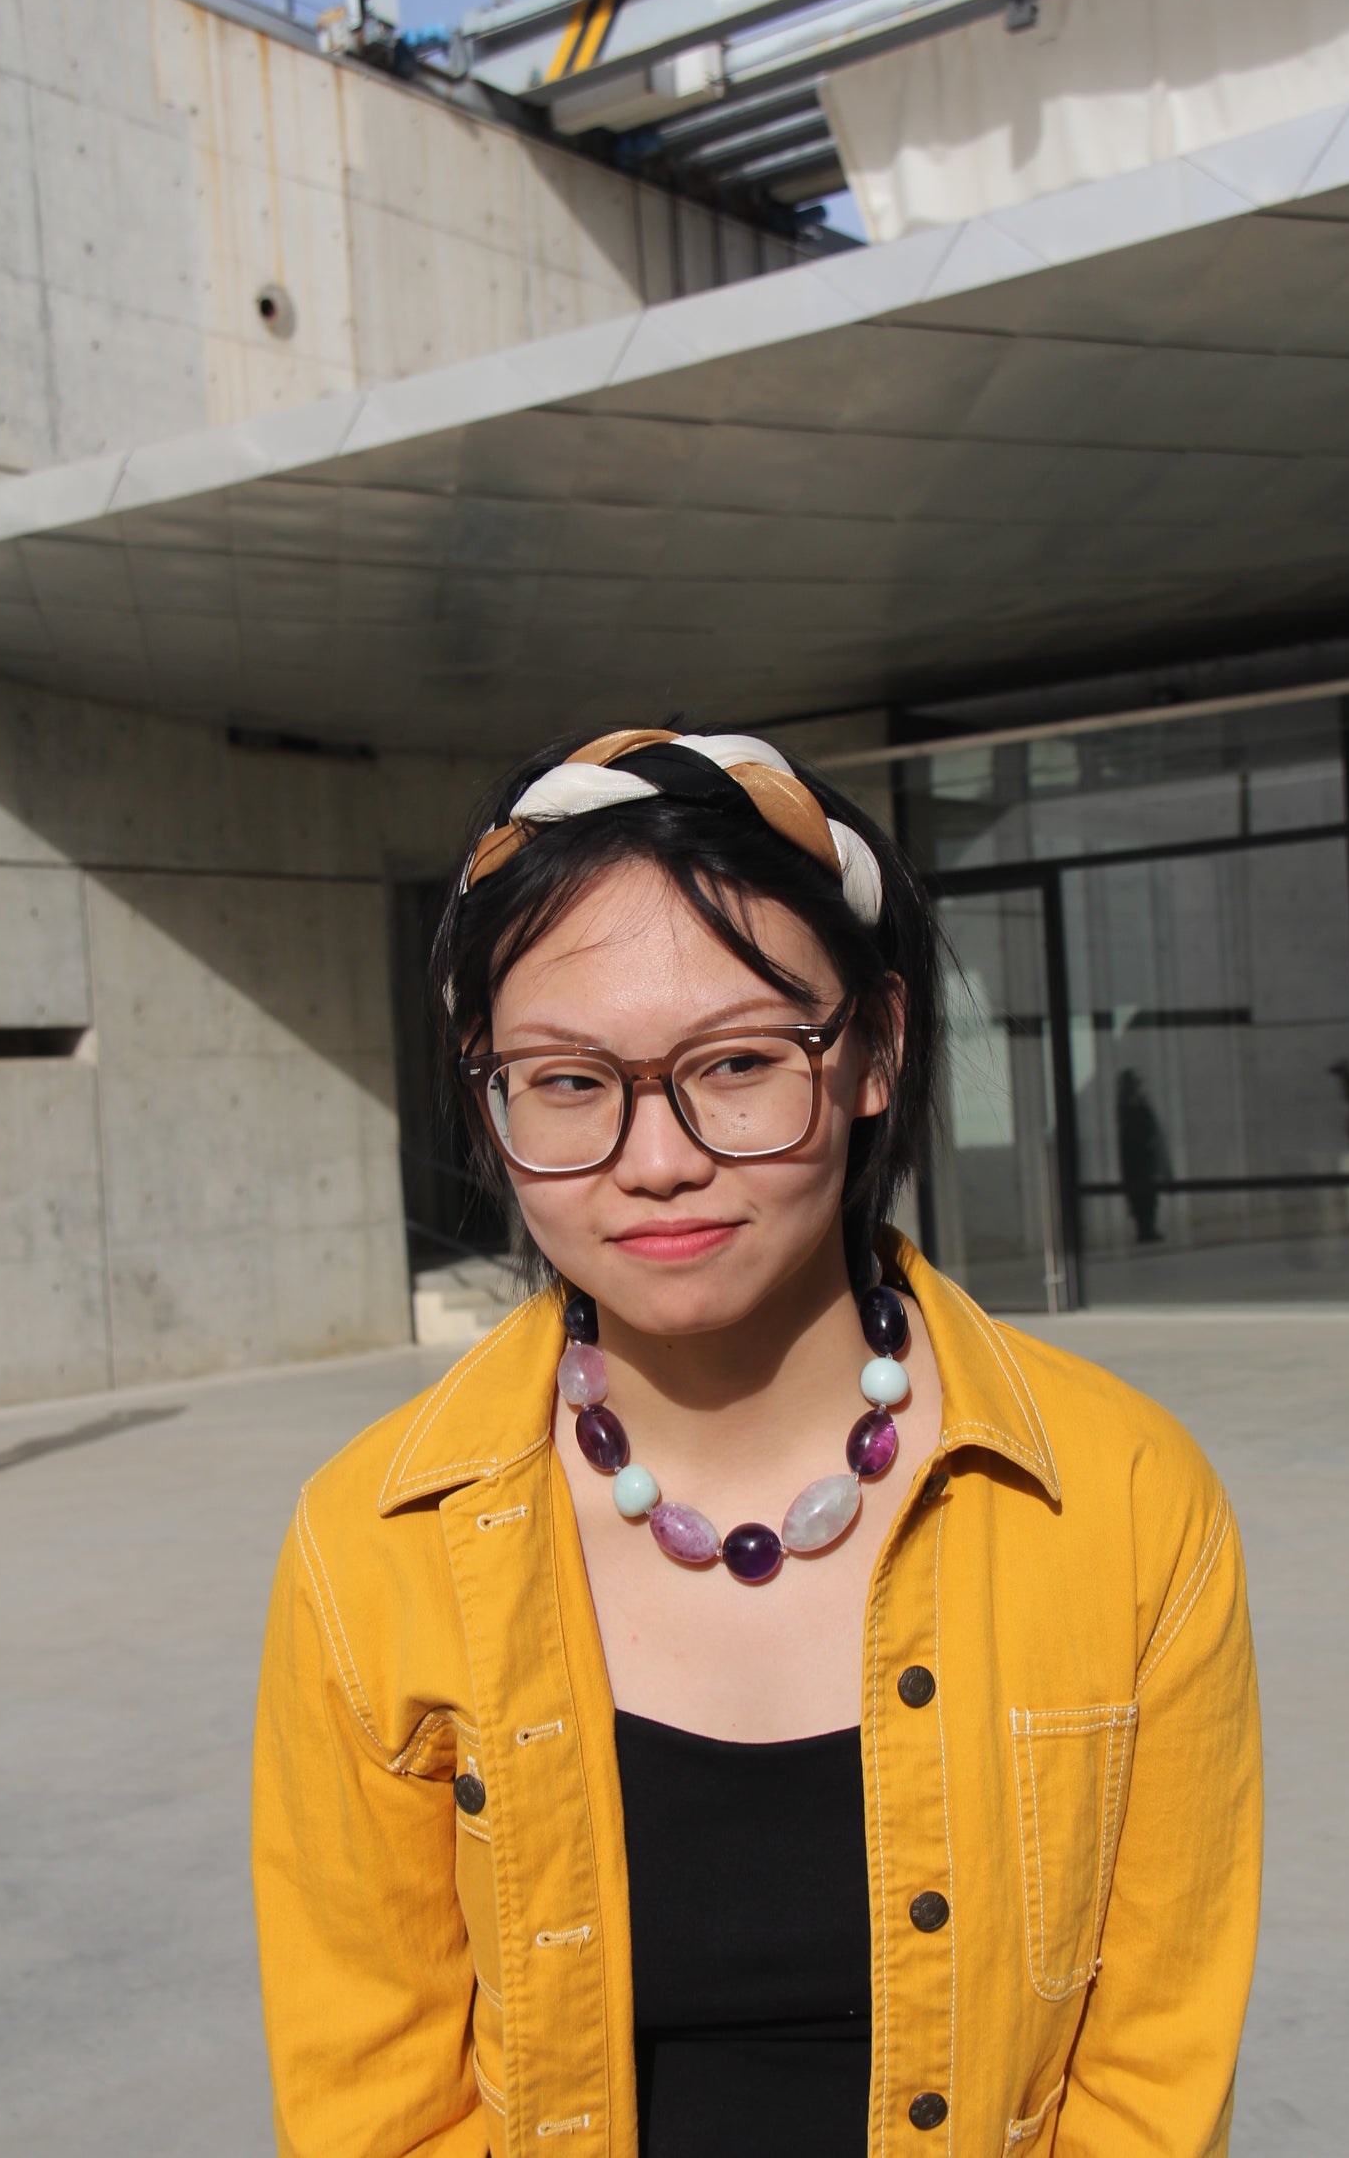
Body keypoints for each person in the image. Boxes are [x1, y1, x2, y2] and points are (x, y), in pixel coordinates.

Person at [253, 728, 1262, 2158]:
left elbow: (1151, 2082)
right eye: (565, 1079)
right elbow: (375, 2100)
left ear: (875, 1049)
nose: (655, 1154)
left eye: (735, 1060)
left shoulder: (1120, 1498)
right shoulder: (375, 1540)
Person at [1115, 1068, 1172, 1245]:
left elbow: (1150, 1128)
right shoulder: (1126, 1108)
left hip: (1145, 1160)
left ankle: (1148, 1229)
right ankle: (1145, 1230)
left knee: (1149, 1197)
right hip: (1135, 1162)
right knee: (1140, 1198)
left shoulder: (1140, 1104)